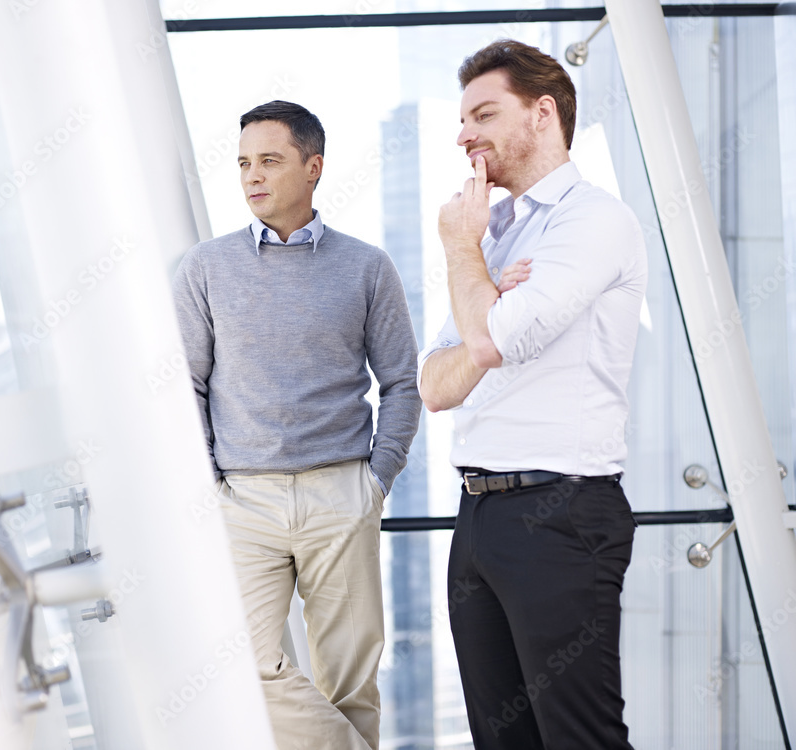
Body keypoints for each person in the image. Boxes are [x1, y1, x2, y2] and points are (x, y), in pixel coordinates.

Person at [418, 40, 647, 749]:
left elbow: (486, 346)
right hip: (479, 516)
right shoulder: (500, 237)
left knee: (580, 739)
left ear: (543, 113)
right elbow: (435, 383)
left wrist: (463, 258)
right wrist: (485, 291)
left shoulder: (591, 220)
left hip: (561, 515)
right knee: (502, 741)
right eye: (461, 120)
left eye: (483, 114)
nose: (464, 135)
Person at [173, 100, 421, 750]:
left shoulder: (366, 267)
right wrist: (213, 483)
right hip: (245, 501)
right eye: (244, 163)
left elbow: (401, 382)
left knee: (349, 682)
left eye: (271, 161)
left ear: (313, 168)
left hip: (340, 492)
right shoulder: (204, 268)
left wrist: (376, 480)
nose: (253, 176)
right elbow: (187, 387)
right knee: (246, 665)